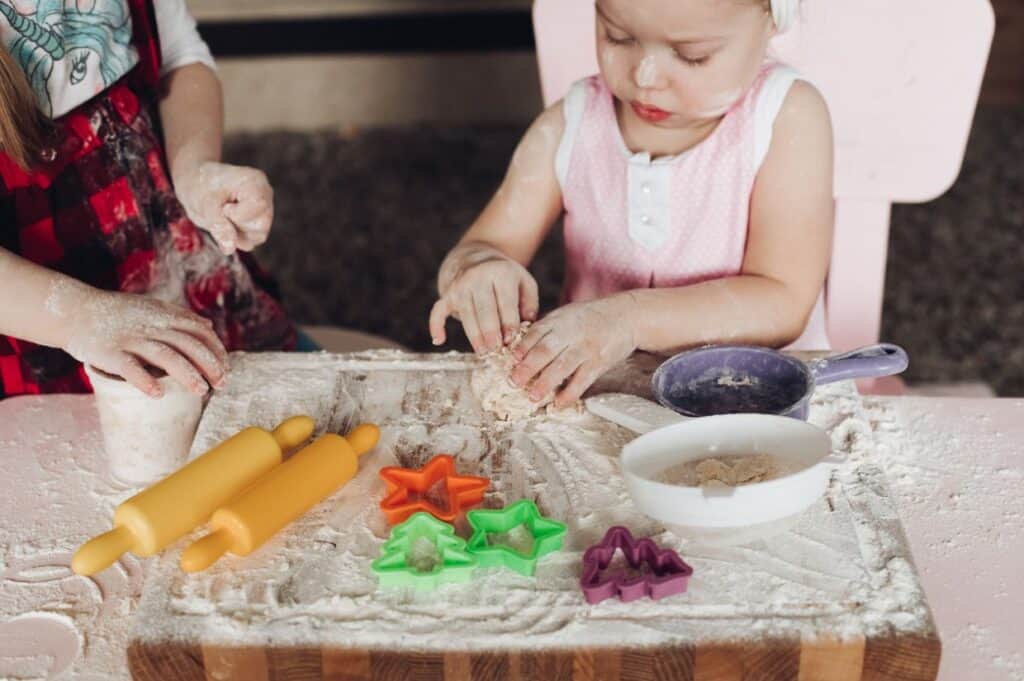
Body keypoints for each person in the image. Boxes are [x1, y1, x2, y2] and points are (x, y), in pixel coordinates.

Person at [431, 0, 833, 408]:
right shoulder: (573, 123)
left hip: (760, 400)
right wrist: (479, 270)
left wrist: (628, 319)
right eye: (618, 36)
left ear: (770, 24)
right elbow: (483, 245)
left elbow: (782, 302)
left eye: (692, 56)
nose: (646, 77)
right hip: (601, 395)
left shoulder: (785, 116)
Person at [0, 0, 298, 399]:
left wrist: (194, 169)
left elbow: (180, 59)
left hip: (170, 256)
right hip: (42, 325)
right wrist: (81, 318)